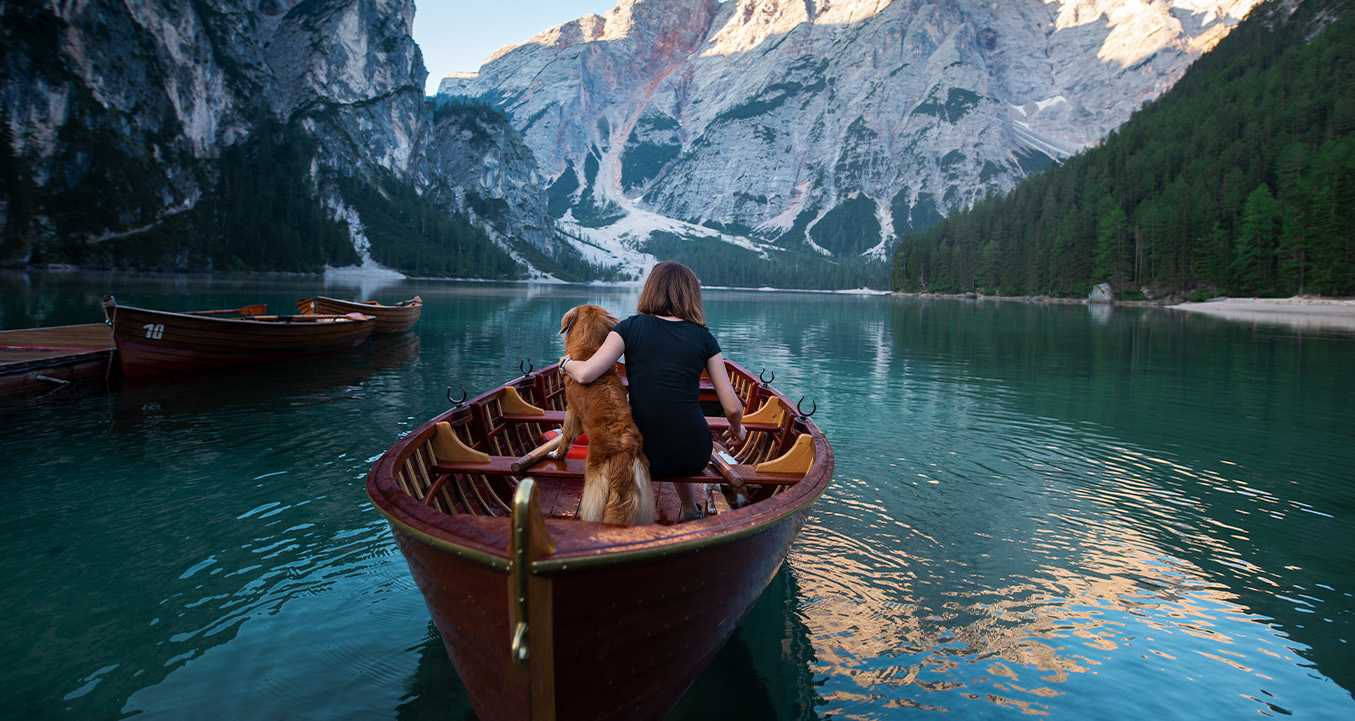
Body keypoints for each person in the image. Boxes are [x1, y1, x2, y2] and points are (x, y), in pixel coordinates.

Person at [557, 261, 747, 521]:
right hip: (693, 453)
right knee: (678, 428)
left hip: (641, 452)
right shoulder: (705, 338)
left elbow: (587, 372)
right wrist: (737, 429)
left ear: (650, 290)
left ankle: (626, 509)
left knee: (652, 429)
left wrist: (566, 364)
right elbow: (733, 408)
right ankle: (691, 511)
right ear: (691, 295)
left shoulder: (628, 328)